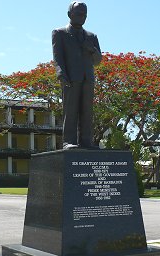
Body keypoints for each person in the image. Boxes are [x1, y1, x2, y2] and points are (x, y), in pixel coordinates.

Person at [52, 1, 102, 149]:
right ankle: (69, 141)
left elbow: (98, 61)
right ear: (69, 14)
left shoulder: (92, 36)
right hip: (70, 78)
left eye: (85, 15)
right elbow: (57, 56)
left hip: (88, 79)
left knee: (87, 111)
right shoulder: (59, 33)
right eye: (79, 14)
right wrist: (60, 73)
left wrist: (92, 49)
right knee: (71, 110)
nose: (82, 17)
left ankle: (87, 141)